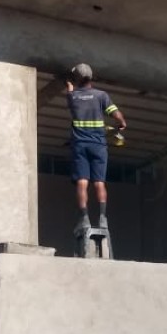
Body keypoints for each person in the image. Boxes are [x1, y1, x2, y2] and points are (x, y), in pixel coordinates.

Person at [65, 63, 126, 232]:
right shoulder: (101, 95)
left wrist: (69, 87)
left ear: (76, 79)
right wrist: (121, 123)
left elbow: (70, 93)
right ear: (91, 78)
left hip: (80, 145)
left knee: (82, 183)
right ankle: (103, 219)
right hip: (98, 145)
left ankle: (84, 219)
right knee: (99, 183)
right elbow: (116, 113)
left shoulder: (72, 97)